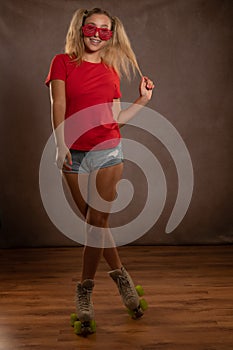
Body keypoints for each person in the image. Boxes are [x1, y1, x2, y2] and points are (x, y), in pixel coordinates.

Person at [45, 7, 154, 335]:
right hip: (73, 153)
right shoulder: (61, 62)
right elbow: (58, 105)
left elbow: (114, 119)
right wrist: (60, 144)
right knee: (94, 223)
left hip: (109, 150)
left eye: (104, 30)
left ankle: (84, 292)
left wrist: (143, 101)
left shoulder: (111, 71)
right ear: (80, 29)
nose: (96, 34)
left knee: (96, 224)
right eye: (91, 27)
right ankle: (123, 278)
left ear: (111, 35)